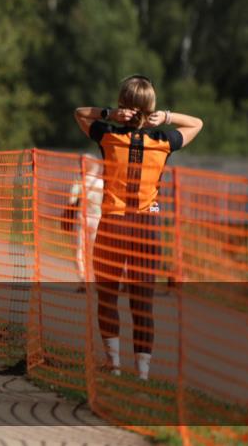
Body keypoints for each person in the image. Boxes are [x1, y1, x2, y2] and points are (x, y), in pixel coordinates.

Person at [74, 74, 203, 380]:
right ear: (151, 108)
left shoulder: (108, 136)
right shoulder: (163, 142)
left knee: (107, 296)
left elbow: (79, 112)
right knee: (142, 301)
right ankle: (143, 373)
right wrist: (168, 117)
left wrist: (108, 114)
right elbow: (196, 123)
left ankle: (114, 364)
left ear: (123, 106)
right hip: (147, 227)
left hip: (113, 225)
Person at [66, 154, 104, 290]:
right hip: (98, 221)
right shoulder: (102, 183)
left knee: (80, 252)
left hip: (82, 220)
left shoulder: (79, 182)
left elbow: (71, 202)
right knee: (97, 252)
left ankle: (84, 279)